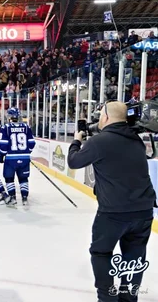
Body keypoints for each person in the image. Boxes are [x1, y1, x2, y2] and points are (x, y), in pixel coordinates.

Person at [67, 101, 156, 302]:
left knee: (101, 253)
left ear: (106, 117)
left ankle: (107, 298)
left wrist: (76, 141)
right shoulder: (136, 140)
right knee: (134, 257)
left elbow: (74, 161)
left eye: (100, 115)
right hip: (143, 212)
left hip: (113, 213)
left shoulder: (99, 142)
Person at [0, 107, 35, 206]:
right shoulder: (26, 127)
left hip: (11, 158)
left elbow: (3, 145)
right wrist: (26, 152)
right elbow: (32, 142)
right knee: (23, 178)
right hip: (24, 158)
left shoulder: (5, 127)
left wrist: (1, 155)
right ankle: (24, 198)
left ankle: (13, 198)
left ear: (9, 116)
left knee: (9, 178)